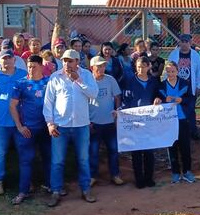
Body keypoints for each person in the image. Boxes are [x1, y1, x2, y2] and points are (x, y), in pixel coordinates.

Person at [43, 49, 98, 206]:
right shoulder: (55, 77)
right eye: (64, 60)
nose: (67, 63)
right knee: (57, 161)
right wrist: (50, 123)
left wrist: (78, 80)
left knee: (83, 159)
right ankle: (55, 191)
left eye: (70, 61)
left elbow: (94, 94)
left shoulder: (86, 75)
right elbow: (48, 103)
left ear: (77, 62)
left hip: (81, 126)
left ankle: (86, 190)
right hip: (61, 126)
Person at [8, 55, 52, 205]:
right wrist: (20, 126)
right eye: (29, 66)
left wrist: (53, 124)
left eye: (34, 66)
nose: (31, 69)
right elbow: (12, 106)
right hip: (28, 129)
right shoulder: (20, 83)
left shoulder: (49, 81)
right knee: (26, 160)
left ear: (41, 66)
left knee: (49, 158)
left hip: (46, 128)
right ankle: (23, 191)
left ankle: (51, 186)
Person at [0, 49, 27, 195]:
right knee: (0, 153)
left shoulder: (23, 75)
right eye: (4, 58)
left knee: (23, 152)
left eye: (9, 58)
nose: (7, 61)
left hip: (20, 123)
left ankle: (26, 181)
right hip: (0, 124)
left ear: (14, 60)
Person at [121, 57, 161, 189]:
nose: (141, 69)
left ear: (149, 66)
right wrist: (123, 114)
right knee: (136, 152)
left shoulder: (154, 81)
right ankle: (139, 179)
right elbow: (125, 100)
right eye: (138, 66)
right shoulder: (130, 81)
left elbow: (159, 95)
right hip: (134, 121)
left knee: (149, 151)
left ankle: (149, 178)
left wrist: (158, 99)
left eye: (143, 66)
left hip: (149, 121)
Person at [87, 56, 124, 186]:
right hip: (93, 123)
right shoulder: (87, 81)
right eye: (99, 66)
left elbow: (117, 96)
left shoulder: (110, 80)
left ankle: (115, 174)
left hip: (109, 122)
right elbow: (82, 103)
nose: (102, 68)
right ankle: (93, 176)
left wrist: (117, 110)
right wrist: (87, 121)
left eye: (103, 66)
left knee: (113, 150)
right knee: (93, 151)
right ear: (92, 68)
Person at [159, 61, 196, 184]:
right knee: (172, 146)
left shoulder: (185, 83)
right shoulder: (161, 85)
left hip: (182, 119)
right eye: (168, 71)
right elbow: (157, 100)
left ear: (177, 71)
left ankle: (187, 171)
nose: (171, 73)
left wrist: (182, 100)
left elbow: (191, 99)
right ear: (165, 72)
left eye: (173, 71)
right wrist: (164, 99)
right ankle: (175, 172)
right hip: (169, 120)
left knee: (185, 146)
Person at [166, 34, 200, 142]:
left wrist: (199, 86)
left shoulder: (195, 55)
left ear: (190, 43)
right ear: (179, 42)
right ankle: (175, 132)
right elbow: (168, 68)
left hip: (190, 88)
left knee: (190, 110)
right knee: (176, 110)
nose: (184, 44)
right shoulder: (174, 54)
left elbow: (199, 71)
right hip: (176, 88)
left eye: (186, 42)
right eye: (182, 41)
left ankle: (192, 132)